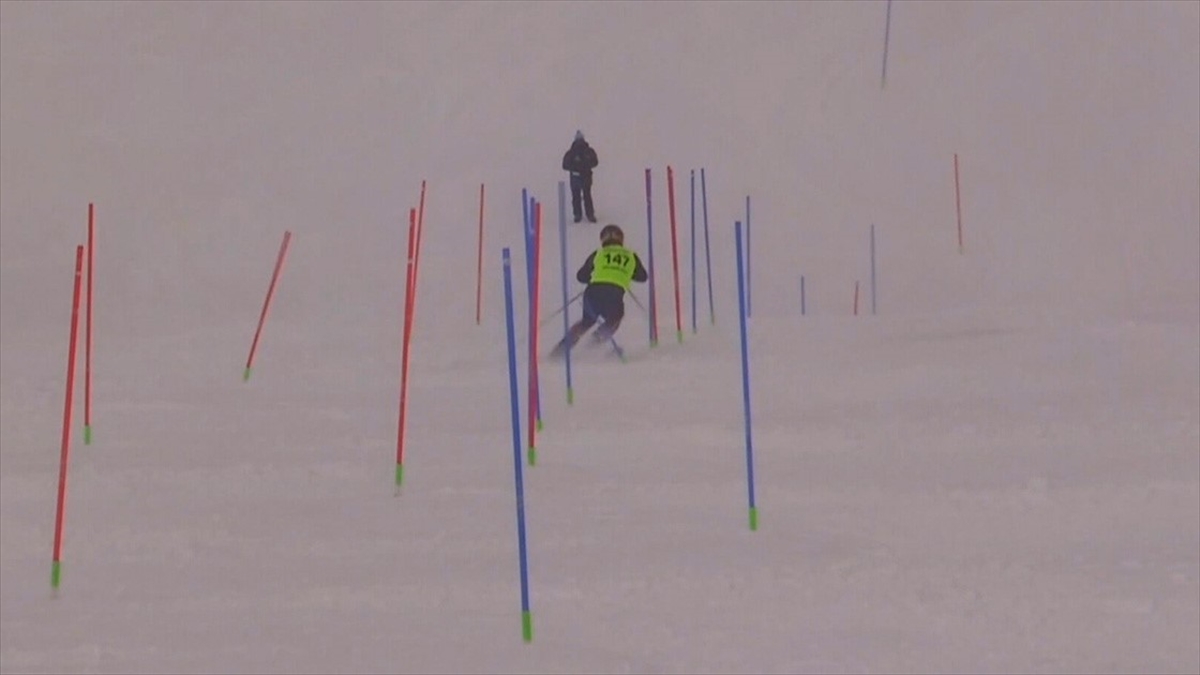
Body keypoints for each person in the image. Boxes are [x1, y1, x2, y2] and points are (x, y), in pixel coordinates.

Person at [550, 224, 648, 356]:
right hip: (615, 291)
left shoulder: (599, 253)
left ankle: (561, 349)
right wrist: (624, 273)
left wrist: (599, 275)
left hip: (593, 291)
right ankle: (595, 342)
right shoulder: (631, 255)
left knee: (587, 321)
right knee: (615, 318)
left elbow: (581, 276)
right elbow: (642, 277)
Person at [562, 130, 599, 223]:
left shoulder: (588, 151)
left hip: (585, 177)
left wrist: (585, 166)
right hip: (576, 178)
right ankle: (579, 214)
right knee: (577, 196)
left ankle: (588, 214)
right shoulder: (572, 153)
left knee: (586, 195)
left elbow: (595, 162)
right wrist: (575, 167)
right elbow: (565, 165)